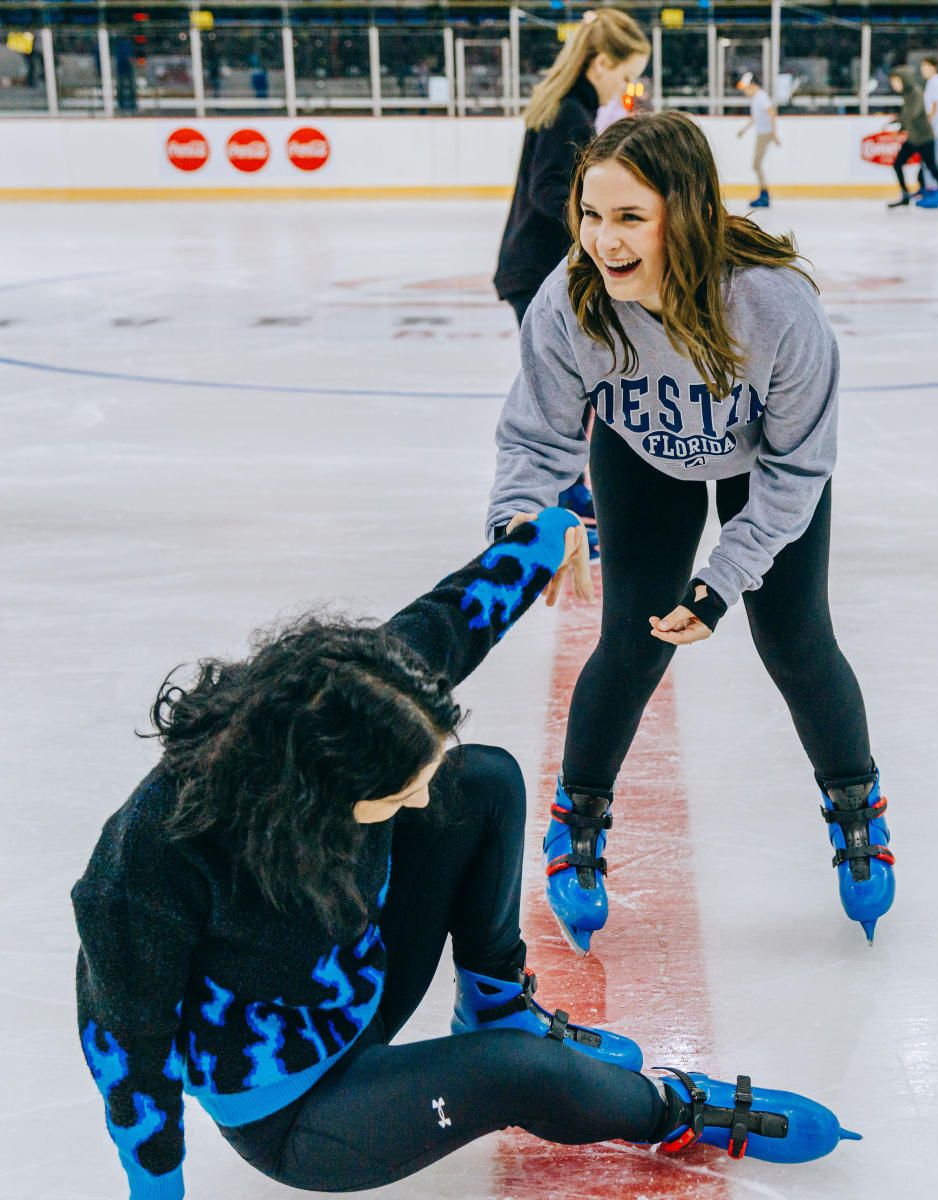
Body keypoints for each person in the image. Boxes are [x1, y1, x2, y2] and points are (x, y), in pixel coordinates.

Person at [72, 509, 859, 1199]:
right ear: (313, 793)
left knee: (479, 779)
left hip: (360, 981)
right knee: (516, 1071)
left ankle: (494, 995)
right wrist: (155, 1188)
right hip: (297, 1108)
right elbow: (125, 1047)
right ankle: (674, 1110)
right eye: (395, 793)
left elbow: (458, 614)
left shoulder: (349, 694)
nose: (417, 800)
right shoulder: (153, 858)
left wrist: (552, 534)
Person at [486, 112, 896, 957]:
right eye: (591, 215)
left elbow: (797, 471)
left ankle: (858, 809)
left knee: (793, 637)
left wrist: (722, 582)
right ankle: (577, 825)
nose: (603, 240)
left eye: (630, 217)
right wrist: (526, 525)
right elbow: (536, 440)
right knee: (634, 639)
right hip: (642, 457)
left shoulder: (776, 307)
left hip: (765, 464)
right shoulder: (571, 302)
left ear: (689, 211)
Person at [494, 8, 650, 557]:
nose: (627, 86)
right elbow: (548, 189)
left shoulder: (568, 104)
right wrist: (600, 234)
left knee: (573, 388)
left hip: (530, 267)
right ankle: (566, 503)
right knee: (563, 390)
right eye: (625, 74)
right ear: (601, 61)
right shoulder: (570, 112)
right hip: (540, 272)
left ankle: (574, 493)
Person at [884, 67, 938, 210]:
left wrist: (900, 122)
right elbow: (907, 116)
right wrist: (898, 123)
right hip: (913, 138)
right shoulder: (907, 95)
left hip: (925, 138)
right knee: (898, 163)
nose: (894, 85)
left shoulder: (916, 93)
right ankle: (904, 195)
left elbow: (914, 114)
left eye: (896, 82)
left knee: (932, 167)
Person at [736, 72, 780, 209]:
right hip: (762, 133)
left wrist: (773, 133)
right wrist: (744, 129)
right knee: (756, 164)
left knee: (756, 164)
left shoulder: (761, 97)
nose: (744, 91)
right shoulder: (756, 98)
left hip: (764, 134)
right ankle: (764, 194)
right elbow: (757, 117)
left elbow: (771, 113)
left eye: (746, 88)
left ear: (753, 85)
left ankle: (764, 195)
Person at [918, 56, 938, 196]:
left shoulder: (936, 83)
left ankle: (934, 192)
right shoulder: (933, 82)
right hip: (934, 129)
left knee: (931, 162)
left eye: (925, 67)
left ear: (934, 67)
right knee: (928, 162)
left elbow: (934, 107)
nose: (923, 70)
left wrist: (926, 125)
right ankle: (928, 189)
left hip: (935, 130)